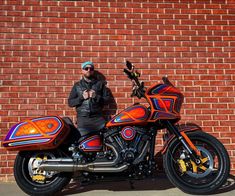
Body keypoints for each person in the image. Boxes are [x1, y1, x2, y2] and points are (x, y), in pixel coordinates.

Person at [68, 61, 110, 136]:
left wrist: (96, 97)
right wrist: (81, 98)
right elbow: (70, 103)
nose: (88, 70)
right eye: (86, 68)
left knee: (103, 142)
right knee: (83, 143)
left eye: (91, 68)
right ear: (82, 70)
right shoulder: (77, 85)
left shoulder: (100, 84)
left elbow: (107, 100)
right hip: (83, 120)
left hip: (98, 119)